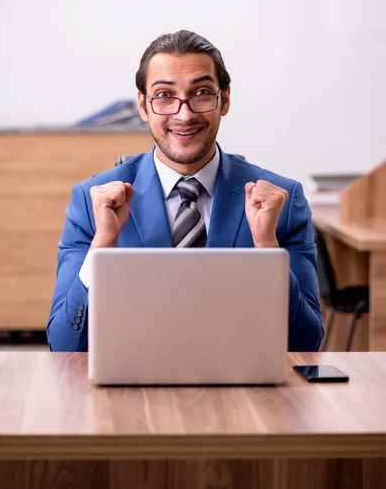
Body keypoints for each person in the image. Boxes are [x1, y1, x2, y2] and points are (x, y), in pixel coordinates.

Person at [47, 30, 323, 352]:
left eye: (202, 92)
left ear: (225, 99)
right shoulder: (90, 200)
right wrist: (102, 246)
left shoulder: (283, 201)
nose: (184, 114)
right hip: (133, 392)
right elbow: (64, 345)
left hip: (243, 392)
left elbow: (306, 343)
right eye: (164, 95)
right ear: (143, 106)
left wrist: (267, 251)